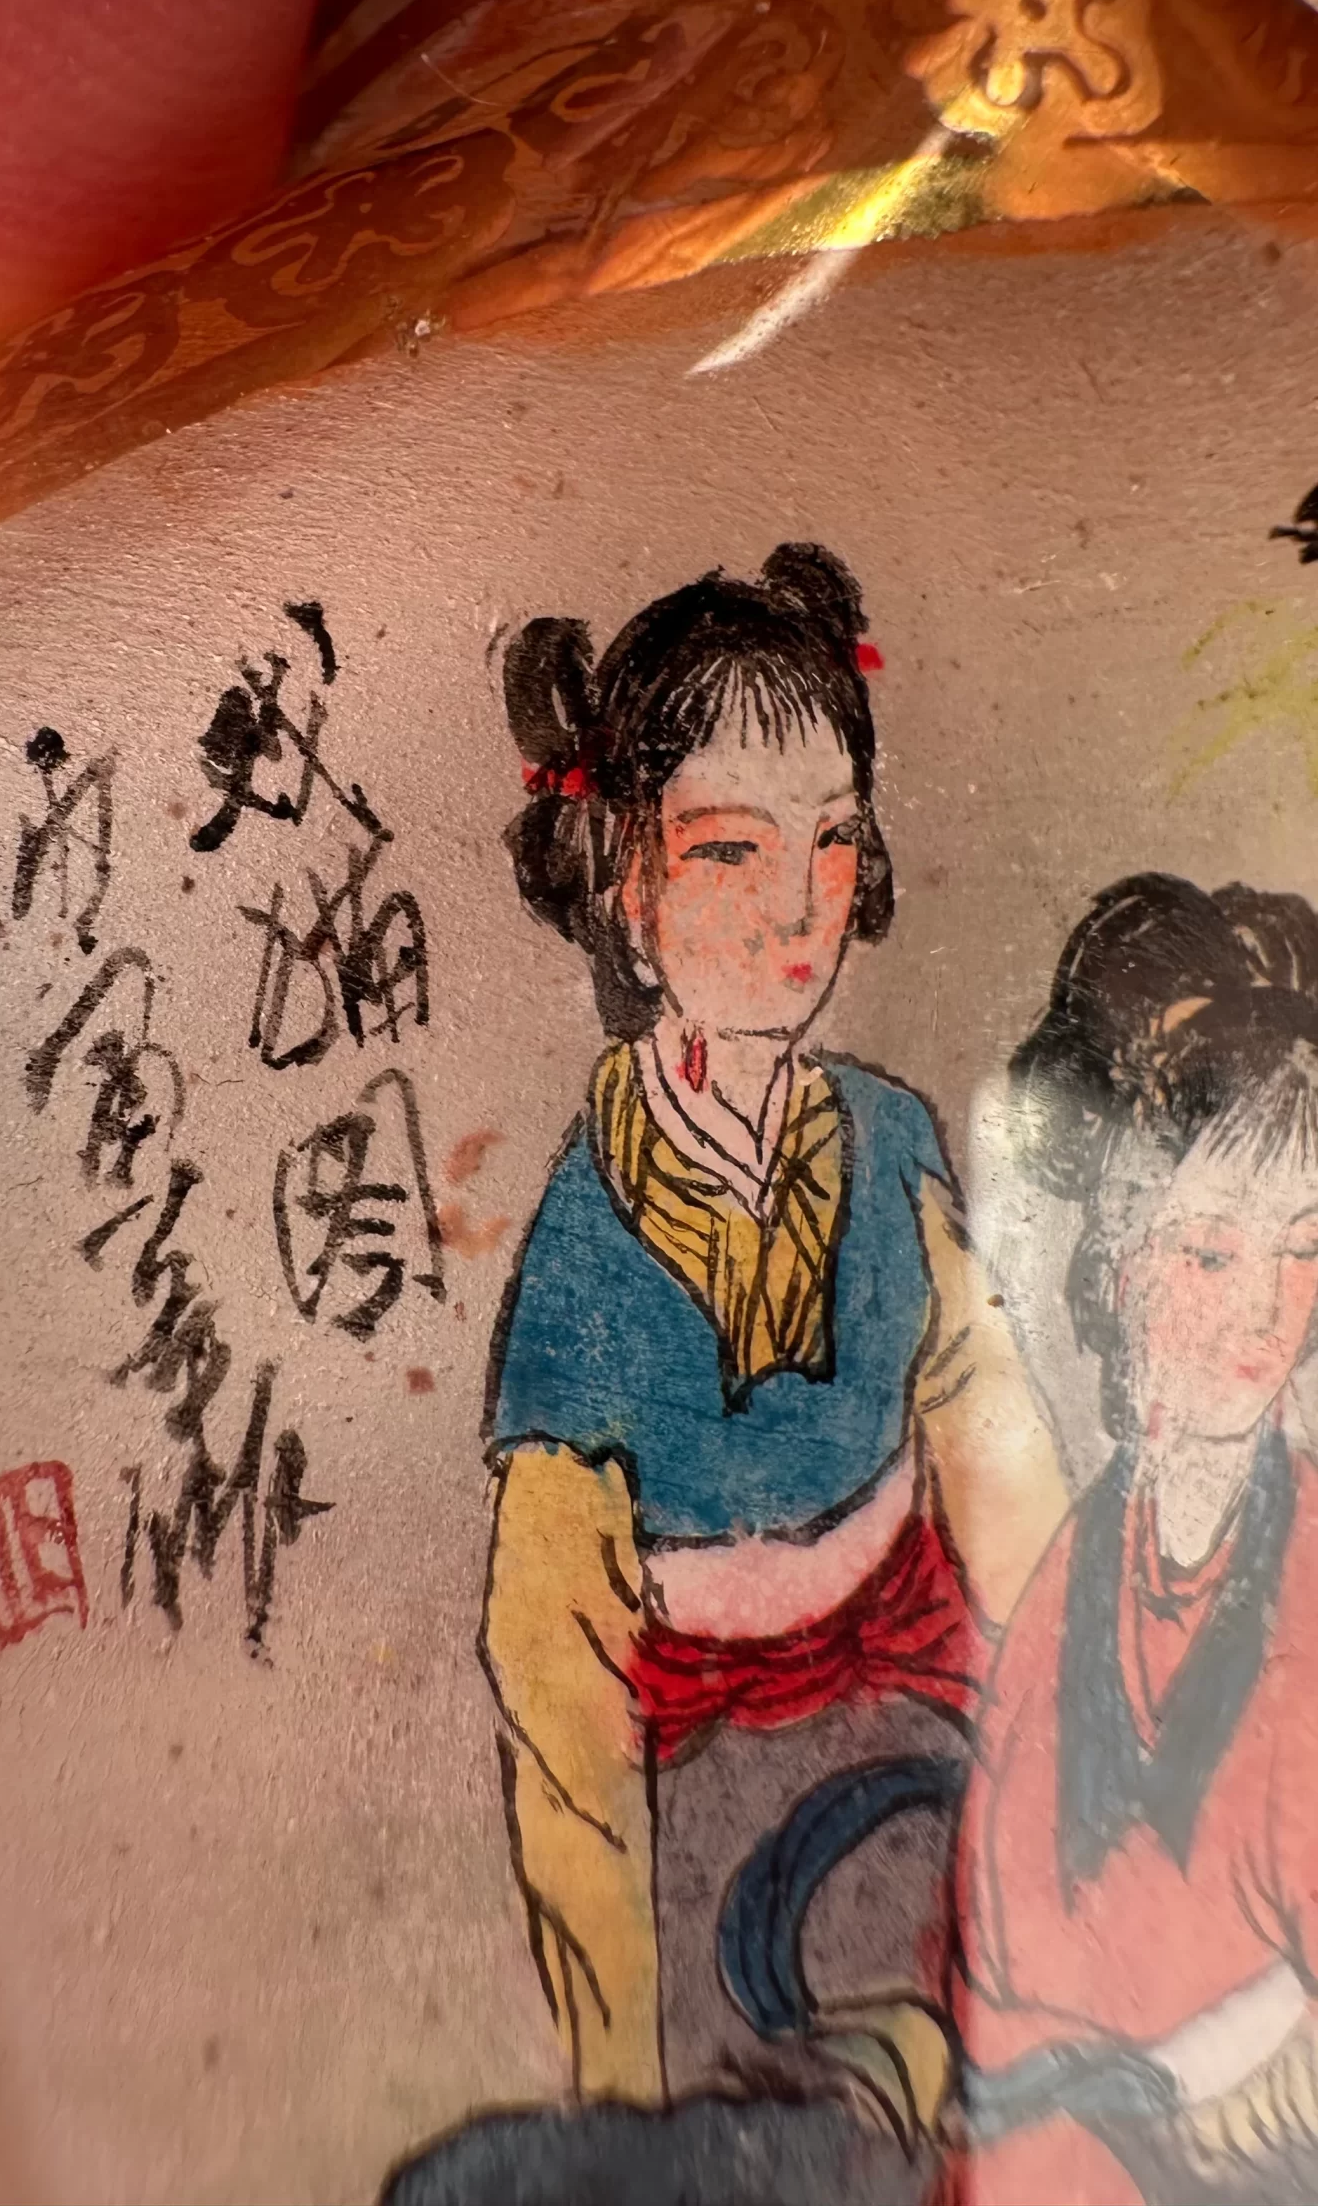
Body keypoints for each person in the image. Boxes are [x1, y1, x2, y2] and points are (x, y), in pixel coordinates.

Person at [481, 543, 1067, 2103]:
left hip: (922, 1692)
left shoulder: (891, 1141)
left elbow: (992, 1440)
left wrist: (1056, 1715)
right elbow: (555, 1667)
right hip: (696, 1766)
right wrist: (616, 2056)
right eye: (732, 850)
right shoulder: (587, 1246)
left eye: (832, 838)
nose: (798, 903)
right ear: (629, 879)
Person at [952, 874, 1318, 2206]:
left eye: (1303, 1250)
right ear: (1119, 1263)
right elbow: (999, 1949)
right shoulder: (1085, 1564)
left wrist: (1155, 2109)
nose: (1264, 1310)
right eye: (1211, 1253)